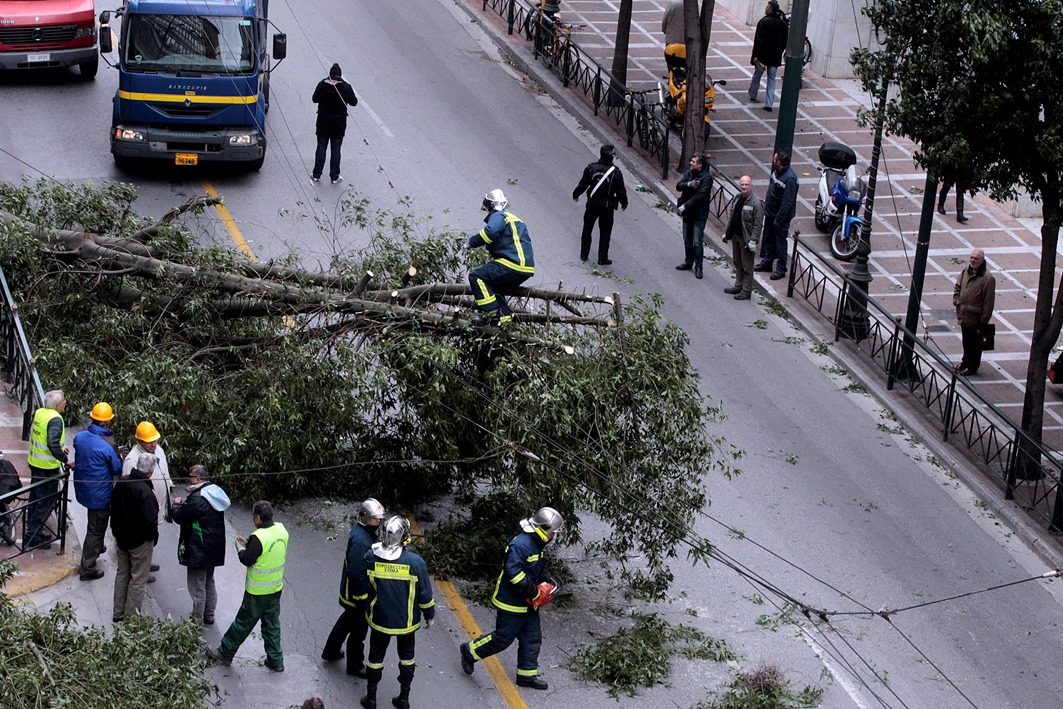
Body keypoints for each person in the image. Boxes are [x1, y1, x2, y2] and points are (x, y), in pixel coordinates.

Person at [459, 507, 564, 691]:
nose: (553, 536)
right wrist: (533, 591)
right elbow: (513, 573)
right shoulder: (520, 544)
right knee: (503, 638)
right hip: (512, 602)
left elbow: (534, 566)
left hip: (529, 603)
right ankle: (470, 651)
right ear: (542, 529)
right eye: (552, 532)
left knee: (532, 637)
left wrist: (545, 577)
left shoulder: (537, 543)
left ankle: (526, 675)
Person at [355, 515, 435, 709]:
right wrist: (429, 615)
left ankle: (371, 698)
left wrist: (365, 604)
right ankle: (404, 698)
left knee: (375, 659)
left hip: (379, 619)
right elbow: (424, 594)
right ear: (404, 537)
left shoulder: (371, 557)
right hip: (406, 623)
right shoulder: (415, 563)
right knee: (407, 659)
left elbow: (364, 586)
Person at [206, 500, 289, 672]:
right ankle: (276, 660)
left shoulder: (258, 537)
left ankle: (225, 653)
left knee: (242, 624)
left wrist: (241, 548)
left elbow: (247, 559)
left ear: (258, 517)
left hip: (256, 592)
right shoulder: (282, 530)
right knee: (271, 625)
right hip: (275, 590)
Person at [322, 498, 386, 676]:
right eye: (375, 518)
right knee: (358, 631)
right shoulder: (361, 540)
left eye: (379, 518)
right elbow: (357, 571)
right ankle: (355, 665)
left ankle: (330, 651)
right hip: (356, 594)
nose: (378, 521)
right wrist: (362, 597)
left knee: (345, 623)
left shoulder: (364, 533)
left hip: (353, 592)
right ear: (366, 517)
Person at [170, 465, 231, 625]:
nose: (187, 478)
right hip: (213, 547)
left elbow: (181, 516)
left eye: (190, 476)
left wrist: (176, 505)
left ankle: (196, 618)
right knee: (209, 580)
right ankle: (209, 614)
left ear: (198, 479)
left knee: (197, 585)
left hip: (198, 547)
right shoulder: (214, 492)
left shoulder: (197, 498)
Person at [467, 189, 535, 326]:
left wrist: (471, 243)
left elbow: (490, 232)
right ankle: (504, 323)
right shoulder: (515, 219)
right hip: (525, 267)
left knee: (476, 277)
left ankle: (491, 315)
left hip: (512, 263)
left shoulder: (499, 216)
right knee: (494, 290)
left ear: (491, 206)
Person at [73, 402, 123, 581]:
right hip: (99, 494)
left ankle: (97, 545)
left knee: (94, 522)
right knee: (96, 528)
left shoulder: (80, 437)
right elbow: (117, 469)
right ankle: (87, 568)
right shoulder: (108, 445)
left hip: (84, 489)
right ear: (107, 422)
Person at [110, 452, 159, 623]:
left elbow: (113, 509)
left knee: (122, 573)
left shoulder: (122, 483)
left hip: (122, 539)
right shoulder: (145, 491)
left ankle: (118, 612)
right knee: (138, 579)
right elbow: (150, 521)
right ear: (151, 472)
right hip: (140, 542)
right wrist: (152, 538)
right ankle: (131, 619)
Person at [123, 420, 174, 573]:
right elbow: (127, 490)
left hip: (156, 505)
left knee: (151, 537)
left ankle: (146, 561)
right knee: (142, 539)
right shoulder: (132, 460)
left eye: (155, 440)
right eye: (149, 442)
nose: (154, 444)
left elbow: (164, 470)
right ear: (139, 441)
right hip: (142, 511)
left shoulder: (159, 450)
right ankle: (140, 569)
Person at [25, 389, 69, 548]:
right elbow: (52, 443)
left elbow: (43, 438)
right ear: (57, 405)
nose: (65, 402)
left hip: (35, 463)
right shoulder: (55, 419)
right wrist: (65, 459)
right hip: (47, 468)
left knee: (35, 499)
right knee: (45, 502)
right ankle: (32, 537)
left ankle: (34, 530)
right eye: (63, 400)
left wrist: (60, 448)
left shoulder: (40, 413)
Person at [572, 144, 628, 265]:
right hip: (607, 207)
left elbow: (583, 184)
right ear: (610, 156)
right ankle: (602, 258)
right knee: (605, 232)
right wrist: (624, 203)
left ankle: (584, 254)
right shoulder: (616, 173)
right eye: (614, 154)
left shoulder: (591, 168)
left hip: (592, 204)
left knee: (587, 228)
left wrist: (575, 194)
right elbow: (620, 191)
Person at [754, 150, 798, 280]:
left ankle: (781, 269)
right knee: (768, 238)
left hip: (780, 217)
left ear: (779, 162)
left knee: (780, 243)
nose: (773, 160)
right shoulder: (777, 173)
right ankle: (767, 262)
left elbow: (787, 202)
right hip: (770, 213)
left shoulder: (790, 179)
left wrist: (779, 219)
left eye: (774, 159)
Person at [312, 63, 359, 185]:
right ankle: (334, 176)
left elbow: (314, 99)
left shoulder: (322, 84)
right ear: (340, 75)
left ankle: (316, 174)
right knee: (336, 148)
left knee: (321, 146)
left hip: (323, 121)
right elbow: (354, 102)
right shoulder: (346, 87)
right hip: (338, 124)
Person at [952, 249, 996, 376]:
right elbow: (958, 287)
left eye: (976, 258)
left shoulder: (988, 278)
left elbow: (988, 302)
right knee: (966, 341)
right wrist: (956, 299)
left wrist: (983, 320)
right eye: (971, 257)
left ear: (982, 260)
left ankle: (972, 367)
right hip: (964, 314)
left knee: (975, 345)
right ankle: (965, 362)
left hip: (976, 318)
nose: (972, 260)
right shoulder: (965, 271)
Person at [722, 176, 764, 301]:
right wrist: (726, 232)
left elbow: (758, 224)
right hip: (736, 236)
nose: (744, 187)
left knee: (747, 266)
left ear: (751, 186)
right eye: (742, 184)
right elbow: (731, 217)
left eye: (746, 184)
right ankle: (738, 285)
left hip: (746, 239)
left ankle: (746, 290)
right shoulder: (737, 198)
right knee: (737, 262)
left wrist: (753, 240)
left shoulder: (756, 202)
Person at [674, 154, 713, 279]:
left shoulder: (707, 179)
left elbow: (699, 196)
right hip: (688, 213)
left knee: (697, 241)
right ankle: (688, 262)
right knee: (687, 239)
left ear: (700, 165)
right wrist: (689, 184)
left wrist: (684, 206)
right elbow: (679, 186)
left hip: (699, 214)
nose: (690, 163)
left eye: (693, 161)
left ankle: (699, 267)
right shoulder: (689, 173)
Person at [748, 0, 788, 112]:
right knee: (772, 79)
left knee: (757, 75)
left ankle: (753, 94)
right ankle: (769, 103)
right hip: (775, 57)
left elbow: (758, 42)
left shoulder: (763, 22)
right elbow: (785, 41)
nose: (765, 8)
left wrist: (755, 56)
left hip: (762, 56)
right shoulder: (782, 25)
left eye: (767, 7)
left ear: (770, 9)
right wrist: (780, 51)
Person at [661, 0, 686, 72]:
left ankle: (672, 76)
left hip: (672, 39)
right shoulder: (693, 7)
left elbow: (665, 19)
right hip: (686, 41)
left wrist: (664, 29)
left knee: (671, 60)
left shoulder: (673, 4)